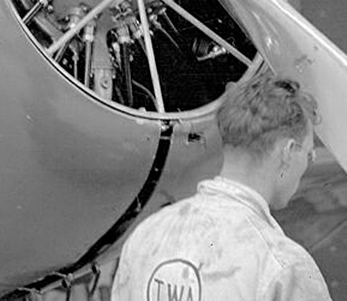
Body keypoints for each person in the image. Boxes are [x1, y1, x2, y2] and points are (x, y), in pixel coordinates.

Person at [110, 73, 331, 301]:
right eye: (309, 154)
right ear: (288, 151)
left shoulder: (147, 234)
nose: (307, 163)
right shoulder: (283, 265)